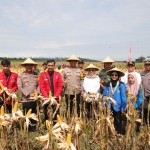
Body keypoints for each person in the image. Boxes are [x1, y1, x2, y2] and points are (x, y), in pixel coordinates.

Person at [17, 58, 39, 132]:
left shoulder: (36, 75)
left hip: (35, 98)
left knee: (34, 113)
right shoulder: (21, 75)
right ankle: (27, 129)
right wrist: (29, 94)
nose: (29, 67)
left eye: (31, 65)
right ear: (25, 66)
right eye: (27, 65)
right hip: (26, 99)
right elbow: (20, 87)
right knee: (27, 114)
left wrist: (37, 94)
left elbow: (39, 85)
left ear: (33, 66)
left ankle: (34, 128)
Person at [103, 67, 126, 134]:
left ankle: (119, 134)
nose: (114, 76)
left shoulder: (121, 85)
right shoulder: (107, 85)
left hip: (117, 106)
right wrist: (104, 104)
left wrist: (122, 107)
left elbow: (123, 97)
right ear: (110, 76)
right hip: (109, 106)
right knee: (109, 120)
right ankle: (110, 133)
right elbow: (104, 96)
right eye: (112, 75)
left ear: (118, 76)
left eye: (116, 75)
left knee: (118, 121)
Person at [140, 60, 150, 124]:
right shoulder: (141, 73)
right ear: (144, 66)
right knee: (145, 109)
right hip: (144, 95)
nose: (147, 66)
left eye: (148, 65)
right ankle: (145, 122)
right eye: (146, 65)